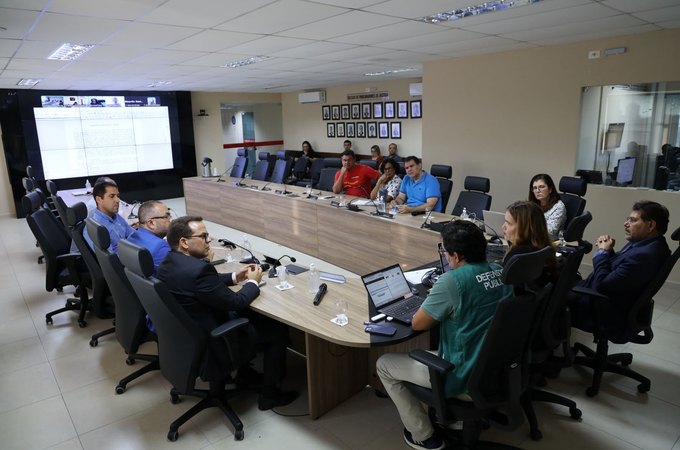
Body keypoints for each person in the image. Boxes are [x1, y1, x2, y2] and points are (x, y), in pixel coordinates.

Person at [377, 221, 513, 450]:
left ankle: (424, 435)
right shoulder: (501, 271)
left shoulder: (452, 281)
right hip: (500, 370)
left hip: (464, 375)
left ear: (456, 256)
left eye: (448, 254)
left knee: (384, 365)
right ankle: (458, 422)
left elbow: (418, 323)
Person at [157, 216, 298, 410]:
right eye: (204, 236)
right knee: (277, 331)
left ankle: (245, 375)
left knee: (254, 317)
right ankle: (270, 396)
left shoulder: (168, 262)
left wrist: (235, 277)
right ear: (184, 242)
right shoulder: (200, 270)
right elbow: (236, 302)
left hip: (188, 337)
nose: (209, 241)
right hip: (215, 341)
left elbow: (200, 285)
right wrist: (252, 282)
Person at [570, 201, 671, 336]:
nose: (626, 223)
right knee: (560, 280)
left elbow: (602, 285)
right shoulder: (649, 244)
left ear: (651, 225)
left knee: (550, 295)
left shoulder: (644, 255)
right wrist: (610, 251)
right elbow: (620, 269)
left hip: (603, 310)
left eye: (633, 220)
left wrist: (602, 253)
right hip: (610, 299)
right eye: (627, 219)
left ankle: (545, 347)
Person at [502, 200, 557, 284]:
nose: (503, 226)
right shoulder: (542, 248)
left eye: (508, 223)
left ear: (524, 228)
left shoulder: (517, 255)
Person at [83, 180, 134, 253]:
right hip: (126, 261)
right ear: (99, 199)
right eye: (112, 196)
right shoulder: (94, 228)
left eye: (118, 196)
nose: (118, 200)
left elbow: (133, 235)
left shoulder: (115, 216)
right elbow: (111, 260)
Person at [126, 200, 171, 272]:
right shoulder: (161, 247)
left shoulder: (131, 236)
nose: (170, 220)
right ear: (151, 223)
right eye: (166, 217)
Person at [528, 174, 566, 238]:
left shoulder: (559, 207)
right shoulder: (532, 205)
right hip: (531, 239)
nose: (537, 191)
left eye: (541, 187)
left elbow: (550, 232)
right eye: (535, 188)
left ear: (550, 189)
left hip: (548, 243)